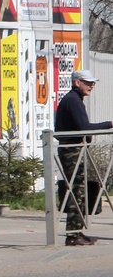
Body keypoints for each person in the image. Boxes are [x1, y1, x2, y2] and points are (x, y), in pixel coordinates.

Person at [54, 69, 109, 246]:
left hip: (74, 148)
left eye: (93, 82)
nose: (91, 85)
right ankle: (72, 234)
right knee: (76, 189)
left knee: (79, 189)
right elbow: (83, 126)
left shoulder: (74, 100)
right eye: (87, 82)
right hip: (72, 150)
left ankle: (76, 231)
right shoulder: (73, 101)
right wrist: (109, 124)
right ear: (77, 83)